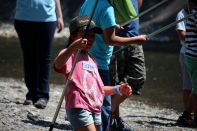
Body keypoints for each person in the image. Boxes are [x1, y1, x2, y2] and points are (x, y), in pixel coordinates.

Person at [53, 16, 132, 131]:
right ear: (74, 36)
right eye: (85, 35)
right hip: (78, 107)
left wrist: (117, 89)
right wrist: (74, 46)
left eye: (92, 36)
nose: (90, 39)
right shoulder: (70, 55)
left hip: (95, 109)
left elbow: (99, 89)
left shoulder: (92, 60)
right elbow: (57, 65)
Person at [79, 0, 147, 130]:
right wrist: (136, 40)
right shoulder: (107, 8)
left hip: (87, 56)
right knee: (103, 105)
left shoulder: (89, 2)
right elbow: (110, 40)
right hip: (100, 61)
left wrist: (109, 26)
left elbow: (85, 24)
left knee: (93, 98)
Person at [14, 0, 64, 109]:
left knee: (44, 58)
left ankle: (42, 95)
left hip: (47, 18)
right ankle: (31, 94)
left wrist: (59, 16)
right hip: (23, 18)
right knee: (29, 57)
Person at [109, 0, 146, 130]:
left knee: (138, 77)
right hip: (117, 39)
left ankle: (108, 113)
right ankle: (114, 120)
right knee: (115, 82)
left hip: (134, 37)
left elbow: (138, 3)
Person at [176, 7, 193, 127]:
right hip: (186, 52)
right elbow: (181, 35)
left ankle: (189, 113)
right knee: (188, 86)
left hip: (192, 53)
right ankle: (187, 113)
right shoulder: (182, 14)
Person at [183, 0, 197, 127]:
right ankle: (192, 118)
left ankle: (187, 114)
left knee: (196, 88)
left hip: (191, 55)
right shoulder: (196, 14)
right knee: (196, 89)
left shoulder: (193, 13)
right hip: (194, 56)